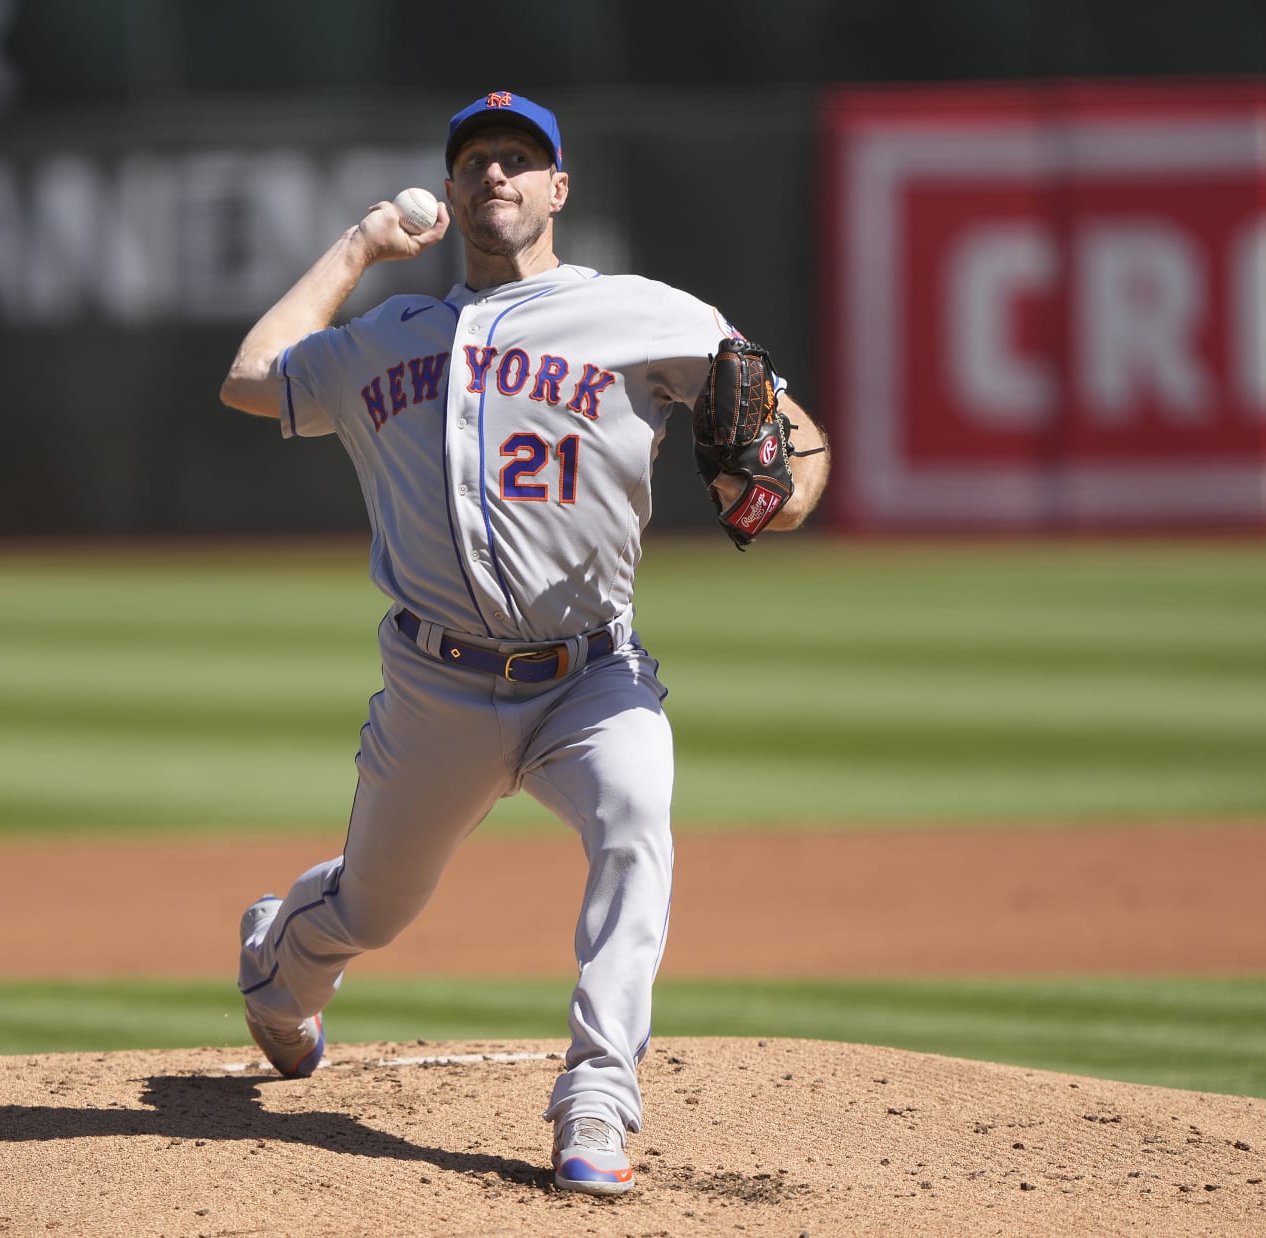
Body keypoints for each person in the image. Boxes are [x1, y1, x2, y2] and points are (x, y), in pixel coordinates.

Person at [219, 89, 830, 1196]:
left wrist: (786, 492)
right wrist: (359, 245)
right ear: (451, 195)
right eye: (476, 162)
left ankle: (597, 1097)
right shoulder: (386, 341)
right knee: (372, 907)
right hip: (436, 689)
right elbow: (251, 378)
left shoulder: (648, 313)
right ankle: (278, 968)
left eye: (518, 159)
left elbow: (795, 439)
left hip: (593, 678)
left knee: (637, 823)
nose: (494, 174)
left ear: (559, 189)